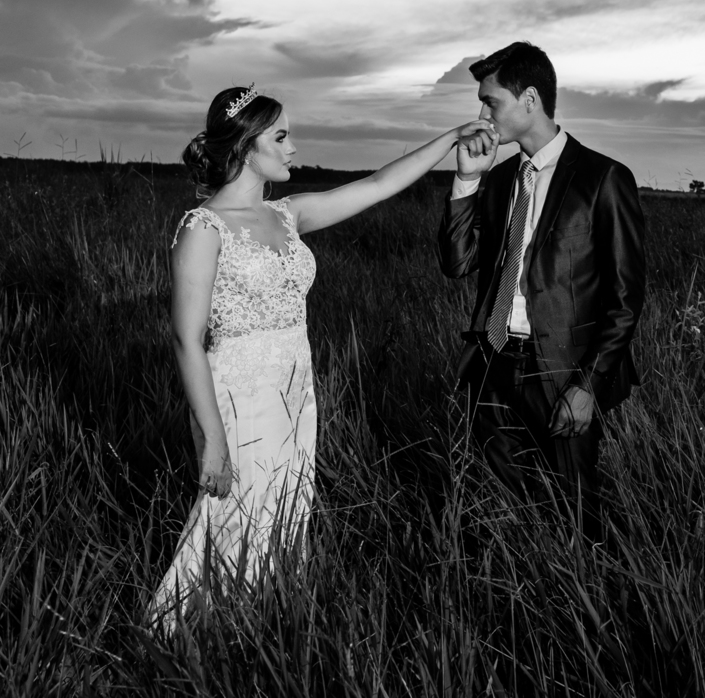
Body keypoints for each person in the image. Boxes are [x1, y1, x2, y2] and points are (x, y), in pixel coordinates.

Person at [151, 84, 493, 626]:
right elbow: (186, 339)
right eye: (281, 137)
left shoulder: (288, 215)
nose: (292, 148)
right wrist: (212, 438)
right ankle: (181, 630)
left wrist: (452, 139)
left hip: (294, 388)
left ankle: (258, 621)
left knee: (285, 508)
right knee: (231, 515)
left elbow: (380, 184)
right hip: (237, 393)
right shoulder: (203, 228)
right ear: (244, 147)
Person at [439, 42, 646, 541]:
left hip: (562, 371)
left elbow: (626, 298)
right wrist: (467, 181)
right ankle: (522, 599)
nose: (482, 114)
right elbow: (458, 262)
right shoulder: (502, 177)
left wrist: (588, 386)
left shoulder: (603, 178)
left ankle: (586, 601)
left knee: (575, 508)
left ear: (530, 99)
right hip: (493, 361)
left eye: (492, 101)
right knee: (507, 508)